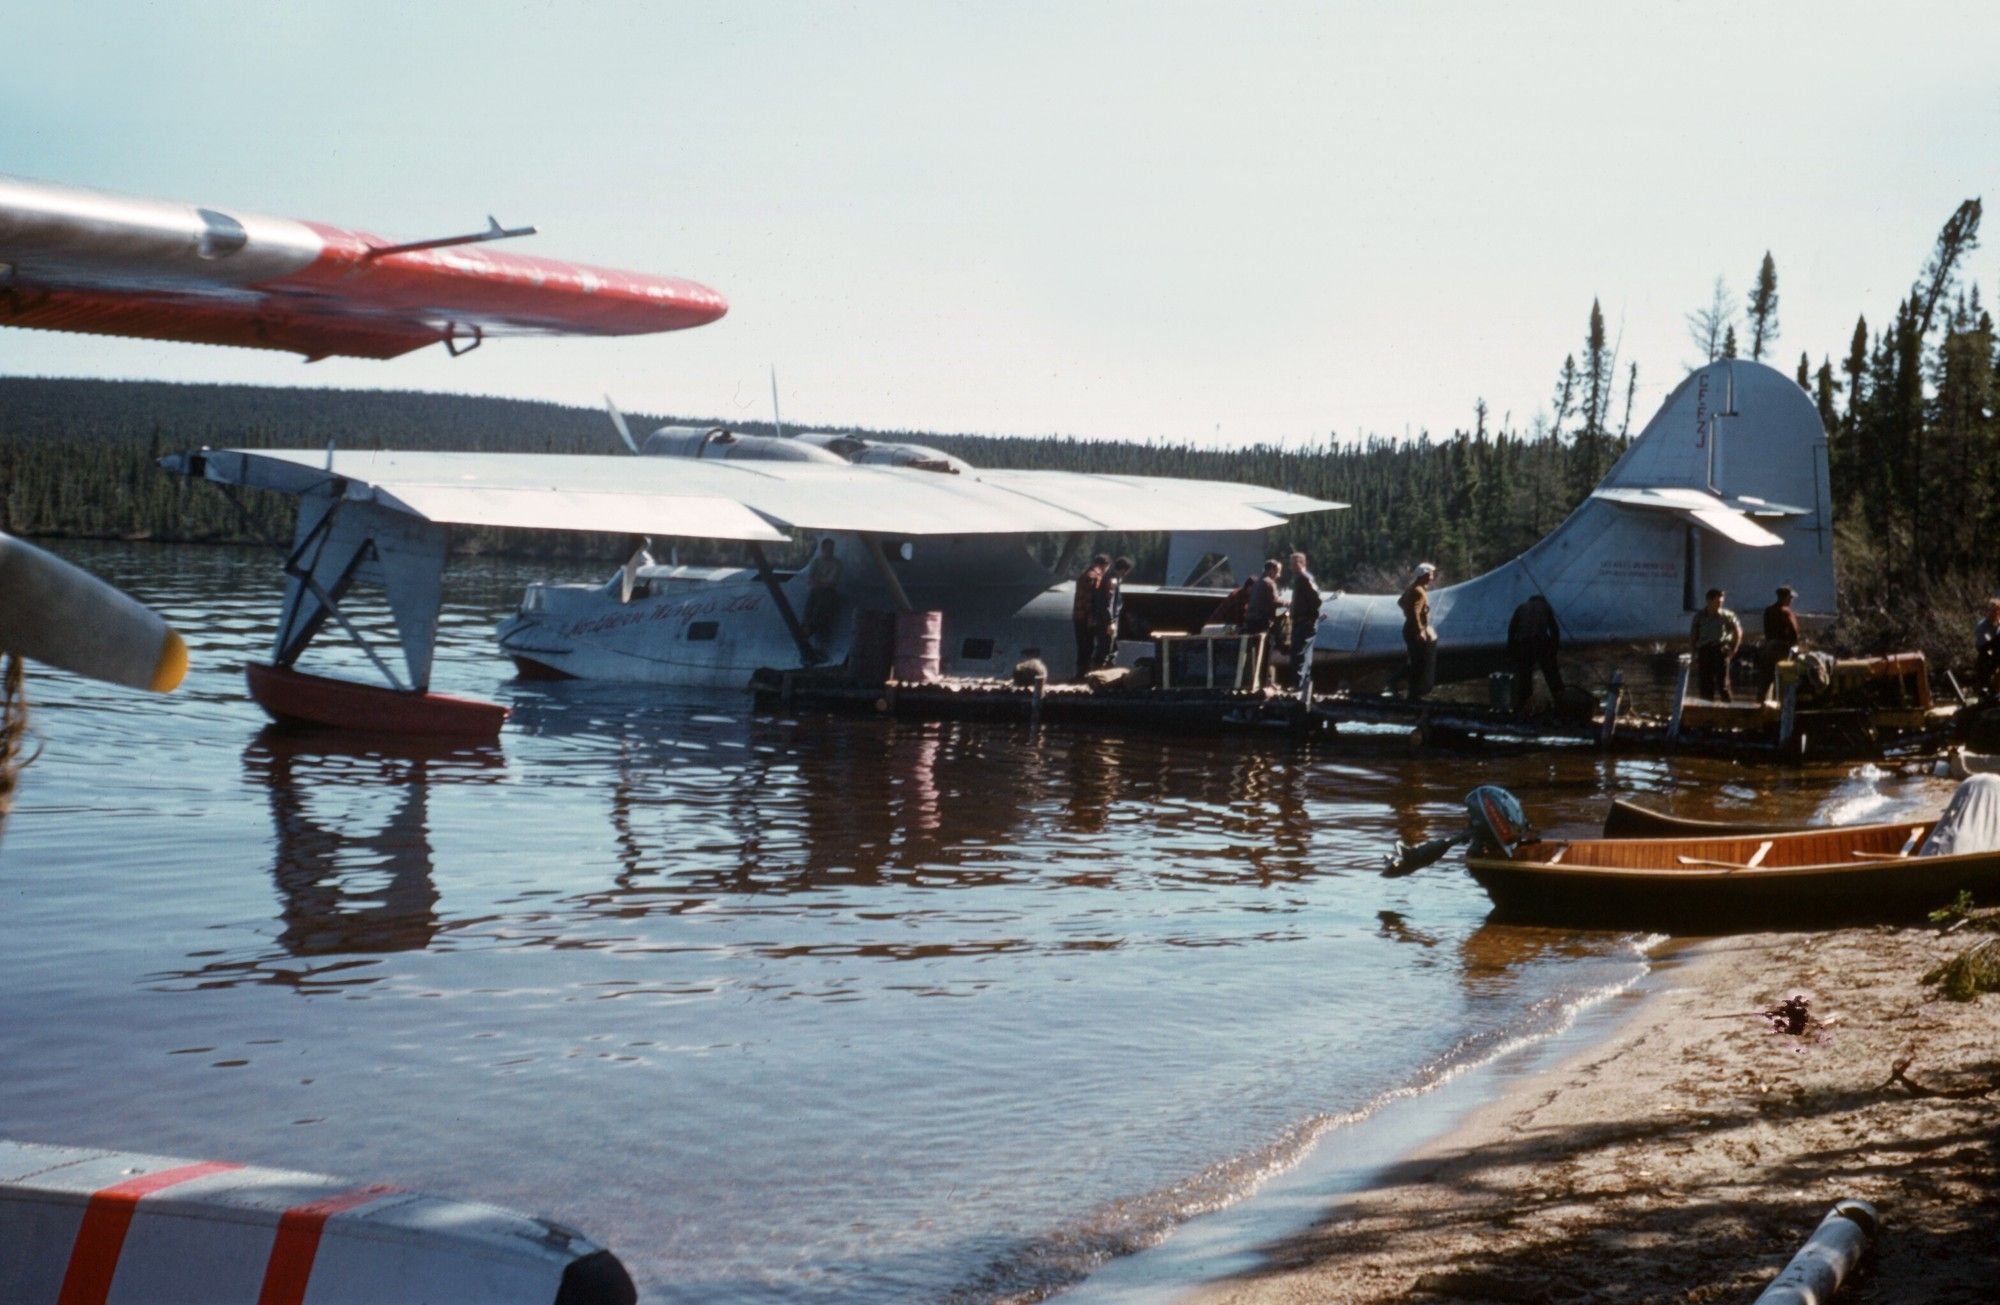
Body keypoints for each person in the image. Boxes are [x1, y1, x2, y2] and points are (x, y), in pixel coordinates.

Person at [1505, 593, 1563, 712]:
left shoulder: (1521, 607)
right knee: (1552, 675)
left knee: (1525, 677)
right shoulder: (1545, 607)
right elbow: (1554, 629)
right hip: (1541, 643)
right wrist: (1554, 649)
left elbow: (1512, 629)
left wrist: (1511, 649)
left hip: (1524, 644)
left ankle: (1522, 706)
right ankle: (1562, 702)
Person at [1689, 587, 1742, 702]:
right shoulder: (1699, 616)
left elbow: (1738, 632)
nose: (1719, 604)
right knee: (1705, 684)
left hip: (1720, 650)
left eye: (1721, 602)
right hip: (1705, 650)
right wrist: (1694, 654)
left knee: (1723, 684)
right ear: (1709, 601)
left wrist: (1734, 649)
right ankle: (1706, 710)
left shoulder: (1727, 616)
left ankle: (1729, 711)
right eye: (1717, 602)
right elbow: (1693, 636)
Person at [1398, 562, 1438, 701]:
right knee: (1419, 662)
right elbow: (1415, 611)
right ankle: (1400, 684)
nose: (1432, 577)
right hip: (1414, 631)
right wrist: (1420, 630)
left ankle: (1411, 691)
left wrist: (1409, 613)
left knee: (1416, 661)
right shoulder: (1419, 591)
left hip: (1409, 629)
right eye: (1430, 574)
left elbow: (1401, 602)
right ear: (1424, 575)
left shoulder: (1413, 588)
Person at [1756, 585, 1802, 703]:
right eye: (1790, 598)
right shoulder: (1786, 612)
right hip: (1783, 648)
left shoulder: (1768, 610)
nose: (1791, 601)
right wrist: (1794, 644)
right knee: (1783, 676)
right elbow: (1794, 631)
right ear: (1786, 597)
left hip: (1769, 646)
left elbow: (1767, 631)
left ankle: (1760, 702)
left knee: (1766, 676)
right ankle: (1782, 703)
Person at [1287, 552, 1322, 689]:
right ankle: (1302, 684)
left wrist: (1311, 617)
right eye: (1292, 564)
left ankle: (1298, 684)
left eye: (1295, 563)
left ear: (1303, 563)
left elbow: (1316, 599)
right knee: (1303, 653)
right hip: (1300, 621)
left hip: (1305, 621)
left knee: (1299, 653)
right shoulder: (1299, 579)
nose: (1292, 567)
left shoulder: (1304, 579)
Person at [1090, 556, 1133, 667]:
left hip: (1103, 619)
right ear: (1124, 569)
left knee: (1104, 648)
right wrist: (1111, 622)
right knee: (1106, 649)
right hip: (1107, 621)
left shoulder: (1108, 577)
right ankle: (1101, 675)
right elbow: (1108, 602)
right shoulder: (1113, 580)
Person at [1072, 554, 1108, 679]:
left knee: (1083, 646)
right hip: (1086, 618)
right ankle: (1083, 674)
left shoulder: (1086, 575)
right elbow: (1088, 601)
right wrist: (1092, 619)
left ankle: (1082, 672)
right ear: (1103, 565)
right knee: (1087, 646)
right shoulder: (1093, 577)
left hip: (1079, 617)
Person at [802, 538, 842, 650]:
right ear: (822, 549)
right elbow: (810, 579)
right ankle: (805, 628)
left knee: (821, 609)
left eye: (832, 549)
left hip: (828, 593)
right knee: (809, 608)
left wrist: (818, 582)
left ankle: (813, 629)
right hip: (815, 591)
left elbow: (832, 582)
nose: (830, 551)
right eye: (828, 549)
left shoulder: (836, 563)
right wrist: (821, 583)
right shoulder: (815, 562)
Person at [1976, 598, 2000, 693]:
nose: (1994, 613)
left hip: (1997, 650)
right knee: (1985, 660)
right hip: (1986, 650)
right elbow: (1986, 642)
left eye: (1997, 611)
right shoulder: (1982, 626)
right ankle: (1985, 686)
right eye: (1992, 611)